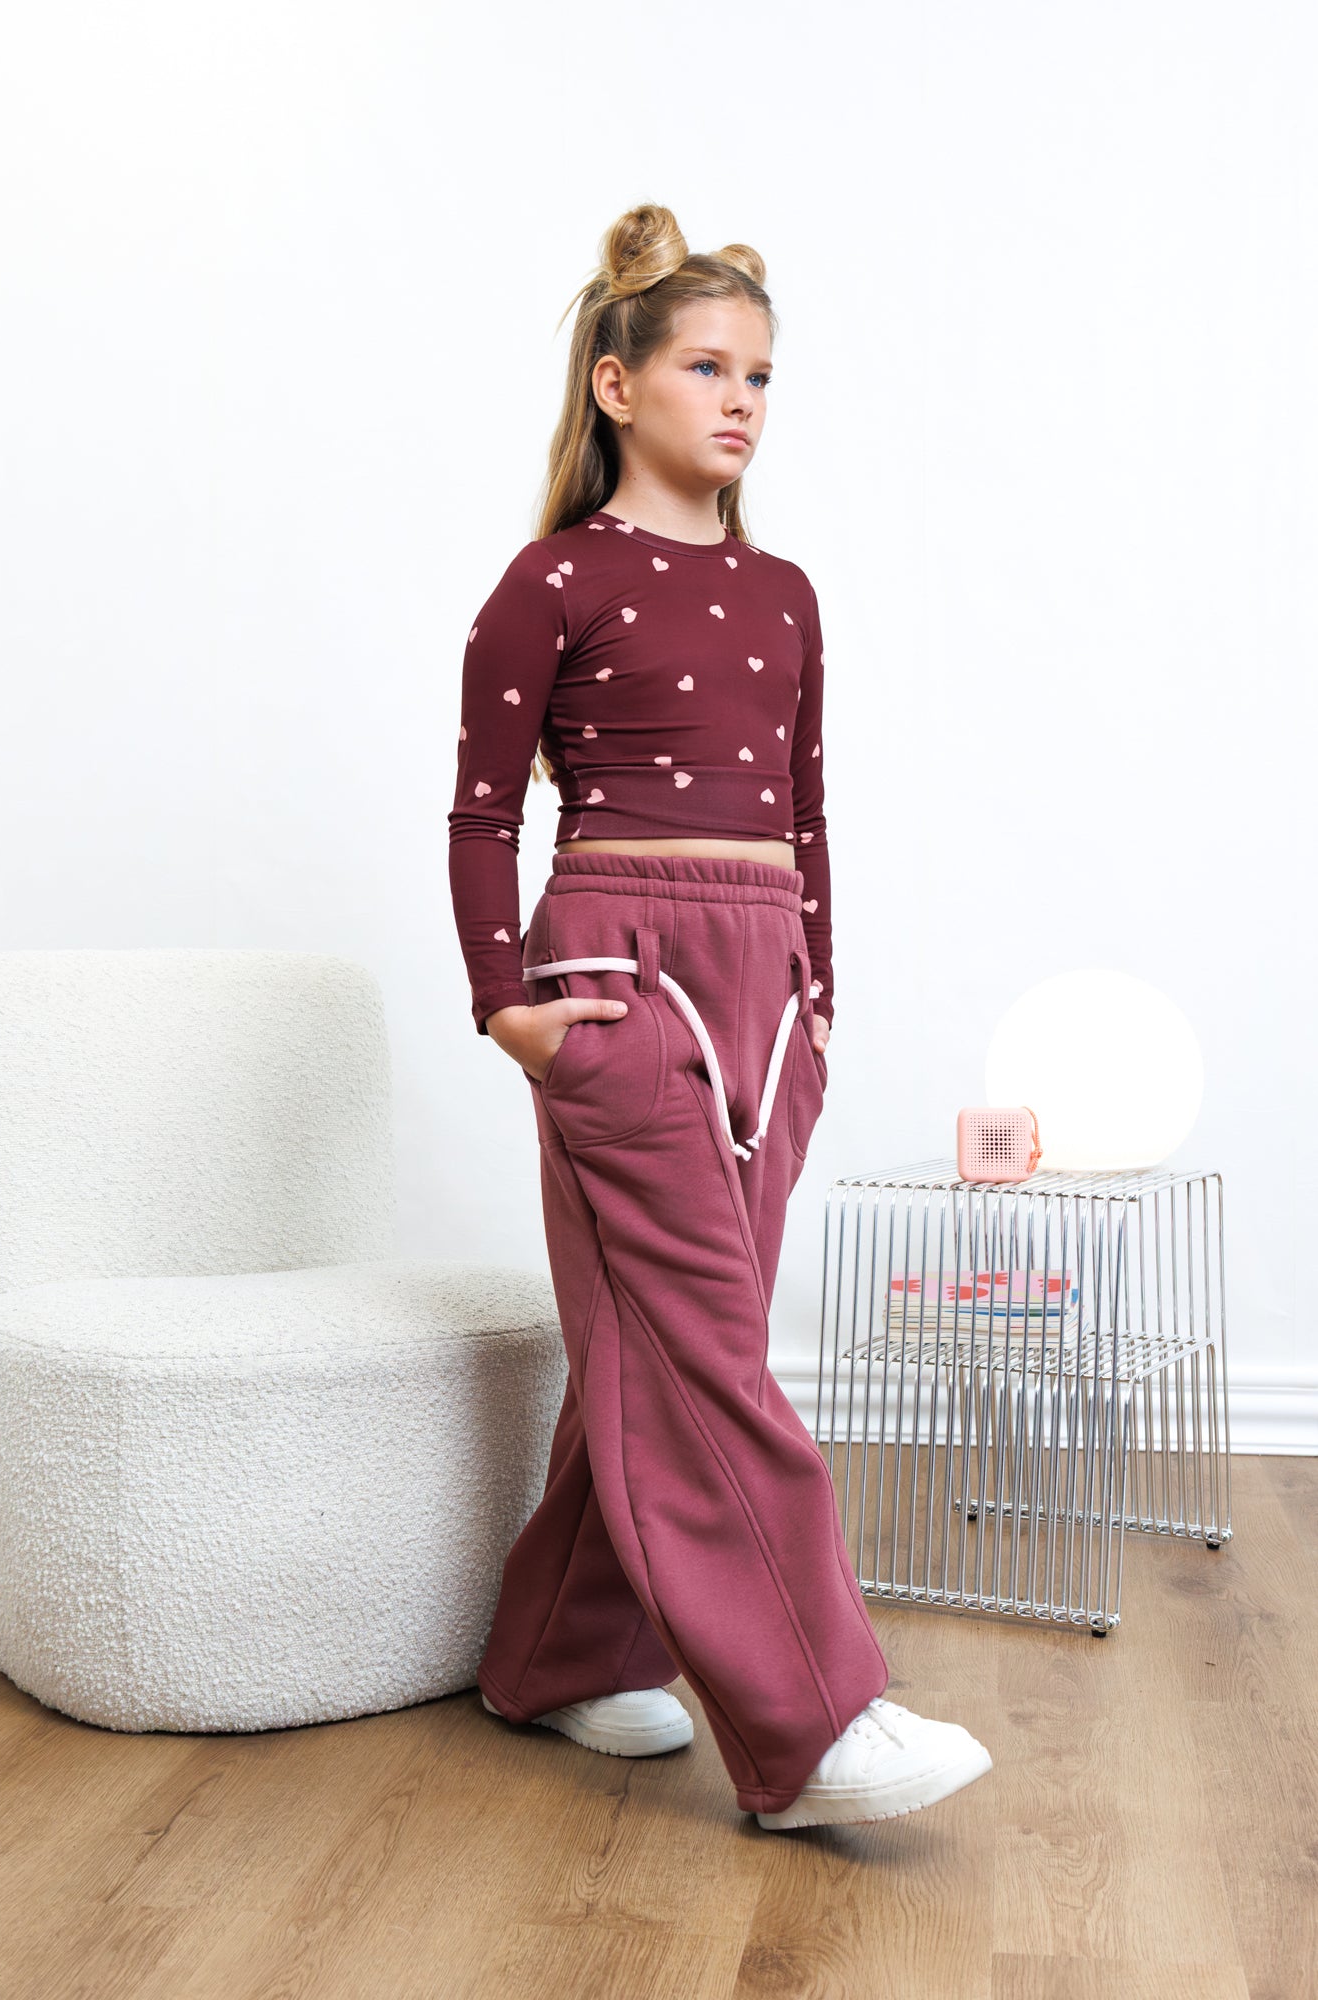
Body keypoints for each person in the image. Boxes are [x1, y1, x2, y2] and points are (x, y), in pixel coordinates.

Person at [446, 202, 992, 1830]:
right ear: (616, 385)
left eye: (758, 373)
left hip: (768, 983)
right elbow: (482, 815)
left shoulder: (785, 593)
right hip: (617, 968)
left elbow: (807, 815)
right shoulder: (550, 580)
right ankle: (814, 1724)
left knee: (672, 1341)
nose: (740, 398)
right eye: (704, 366)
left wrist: (816, 1003)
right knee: (702, 1344)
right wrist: (507, 1009)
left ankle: (549, 1657)